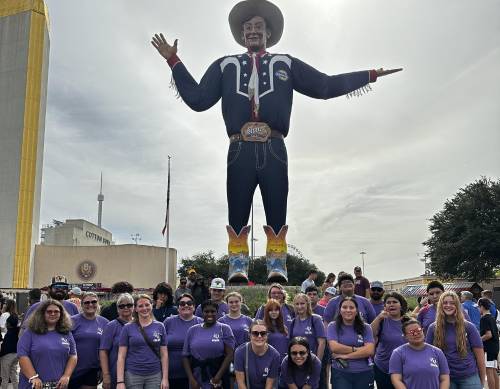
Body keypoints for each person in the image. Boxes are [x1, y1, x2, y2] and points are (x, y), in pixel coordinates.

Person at [151, 0, 401, 284]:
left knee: (276, 205)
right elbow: (198, 99)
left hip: (274, 145)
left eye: (259, 27)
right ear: (241, 34)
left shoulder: (285, 63)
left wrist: (368, 75)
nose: (253, 31)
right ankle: (237, 266)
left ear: (268, 32)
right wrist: (173, 60)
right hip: (239, 146)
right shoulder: (224, 65)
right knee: (237, 207)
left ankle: (276, 266)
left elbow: (325, 85)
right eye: (248, 27)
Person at [426, 291, 485, 389]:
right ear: (441, 305)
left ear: (457, 305)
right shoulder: (433, 328)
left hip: (469, 377)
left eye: (452, 303)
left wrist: (482, 382)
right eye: (445, 303)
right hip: (445, 377)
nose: (448, 305)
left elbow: (480, 357)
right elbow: (427, 355)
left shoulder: (469, 327)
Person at [17, 299, 77, 389]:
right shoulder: (30, 332)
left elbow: (73, 355)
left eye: (56, 311)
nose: (53, 314)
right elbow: (22, 356)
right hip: (33, 385)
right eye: (49, 311)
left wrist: (66, 376)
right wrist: (33, 377)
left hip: (58, 386)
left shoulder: (66, 333)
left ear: (61, 314)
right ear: (42, 314)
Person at [117, 294, 169, 389]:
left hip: (155, 375)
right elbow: (121, 356)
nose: (144, 308)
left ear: (151, 305)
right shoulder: (127, 328)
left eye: (147, 305)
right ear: (135, 309)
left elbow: (164, 355)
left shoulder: (160, 326)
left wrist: (165, 378)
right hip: (133, 374)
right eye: (140, 306)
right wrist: (120, 381)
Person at [183, 299, 235, 389]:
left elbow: (230, 355)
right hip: (197, 376)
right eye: (206, 311)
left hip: (217, 375)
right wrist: (191, 379)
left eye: (213, 311)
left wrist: (217, 378)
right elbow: (185, 356)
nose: (210, 314)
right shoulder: (192, 330)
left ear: (217, 312)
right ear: (202, 312)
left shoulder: (224, 329)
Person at [327, 296, 375, 388]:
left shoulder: (366, 327)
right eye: (344, 307)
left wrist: (346, 356)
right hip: (341, 373)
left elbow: (369, 351)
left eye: (351, 307)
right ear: (340, 310)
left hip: (364, 372)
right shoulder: (332, 326)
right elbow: (334, 347)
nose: (348, 310)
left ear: (356, 311)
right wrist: (357, 349)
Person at [389, 318, 450, 389]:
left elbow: (444, 378)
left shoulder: (437, 352)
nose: (416, 334)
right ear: (405, 336)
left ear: (423, 331)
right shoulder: (398, 353)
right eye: (412, 332)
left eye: (418, 330)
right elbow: (396, 379)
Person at [69, 292, 109, 389]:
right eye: (87, 303)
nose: (90, 304)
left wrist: (104, 371)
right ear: (82, 305)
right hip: (72, 370)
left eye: (93, 302)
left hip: (92, 369)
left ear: (98, 303)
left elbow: (107, 349)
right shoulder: (71, 321)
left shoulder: (105, 323)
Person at [163, 293, 203, 388]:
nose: (186, 305)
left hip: (194, 375)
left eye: (189, 303)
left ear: (194, 307)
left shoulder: (201, 322)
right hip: (170, 374)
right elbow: (160, 346)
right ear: (178, 307)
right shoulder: (168, 322)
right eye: (182, 303)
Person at [370, 292, 408, 389]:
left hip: (405, 368)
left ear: (401, 305)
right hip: (382, 367)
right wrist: (379, 318)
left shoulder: (408, 322)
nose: (391, 304)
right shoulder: (381, 320)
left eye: (395, 302)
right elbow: (369, 334)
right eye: (388, 302)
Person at [290, 293, 326, 389]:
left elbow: (322, 342)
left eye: (302, 303)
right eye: (297, 304)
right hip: (298, 363)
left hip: (312, 362)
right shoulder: (293, 322)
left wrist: (317, 363)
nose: (299, 306)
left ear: (307, 304)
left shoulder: (316, 319)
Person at [99, 293, 134, 389]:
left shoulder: (139, 324)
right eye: (122, 306)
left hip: (137, 374)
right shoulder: (111, 326)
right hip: (116, 374)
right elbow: (103, 351)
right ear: (118, 309)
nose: (125, 308)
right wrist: (106, 375)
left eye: (129, 305)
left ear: (134, 307)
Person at [234, 320, 281, 389]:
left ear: (267, 335)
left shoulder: (275, 355)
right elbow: (240, 382)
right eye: (255, 333)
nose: (259, 336)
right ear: (249, 335)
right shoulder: (240, 352)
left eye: (263, 333)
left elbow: (269, 384)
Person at [478, 298, 499, 389]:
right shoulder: (492, 317)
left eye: (479, 307)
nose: (478, 309)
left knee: (489, 371)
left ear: (482, 307)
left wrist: (478, 340)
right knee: (494, 371)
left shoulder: (484, 318)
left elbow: (488, 334)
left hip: (488, 348)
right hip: (495, 347)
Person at [0, 300, 19, 389]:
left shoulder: (8, 335)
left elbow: (4, 346)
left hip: (7, 355)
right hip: (15, 353)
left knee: (4, 377)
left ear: (9, 324)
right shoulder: (16, 331)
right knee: (14, 374)